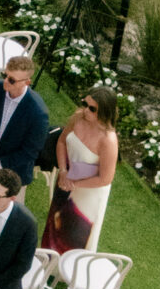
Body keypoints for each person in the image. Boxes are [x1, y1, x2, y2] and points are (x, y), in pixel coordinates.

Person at [44, 84, 121, 250]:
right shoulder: (77, 118)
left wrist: (74, 184)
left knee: (74, 236)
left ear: (104, 111)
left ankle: (65, 272)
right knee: (54, 225)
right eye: (84, 104)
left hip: (88, 193)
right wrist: (63, 171)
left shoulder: (108, 140)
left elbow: (105, 178)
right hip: (66, 179)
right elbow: (62, 142)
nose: (86, 110)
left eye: (92, 109)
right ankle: (47, 263)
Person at [0, 51, 51, 192]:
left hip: (13, 174)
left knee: (5, 211)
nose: (5, 81)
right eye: (5, 75)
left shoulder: (38, 113)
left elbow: (30, 151)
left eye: (12, 80)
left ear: (27, 82)